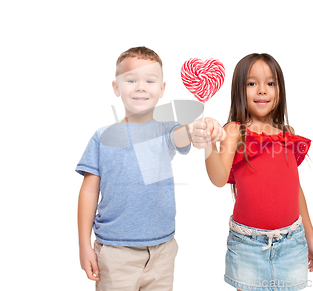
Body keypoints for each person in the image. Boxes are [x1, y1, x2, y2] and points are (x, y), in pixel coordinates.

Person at [76, 46, 225, 291]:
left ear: (162, 89)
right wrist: (84, 245)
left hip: (162, 251)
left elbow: (183, 135)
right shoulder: (102, 137)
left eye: (150, 80)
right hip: (115, 252)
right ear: (116, 87)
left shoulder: (166, 130)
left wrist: (202, 126)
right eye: (131, 80)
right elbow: (88, 192)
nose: (141, 86)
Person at [203, 53, 313, 291]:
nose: (262, 90)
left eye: (270, 83)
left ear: (280, 90)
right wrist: (208, 143)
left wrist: (310, 236)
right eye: (251, 83)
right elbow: (218, 179)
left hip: (292, 242)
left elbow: (294, 189)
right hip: (249, 245)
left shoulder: (287, 132)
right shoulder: (235, 131)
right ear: (239, 89)